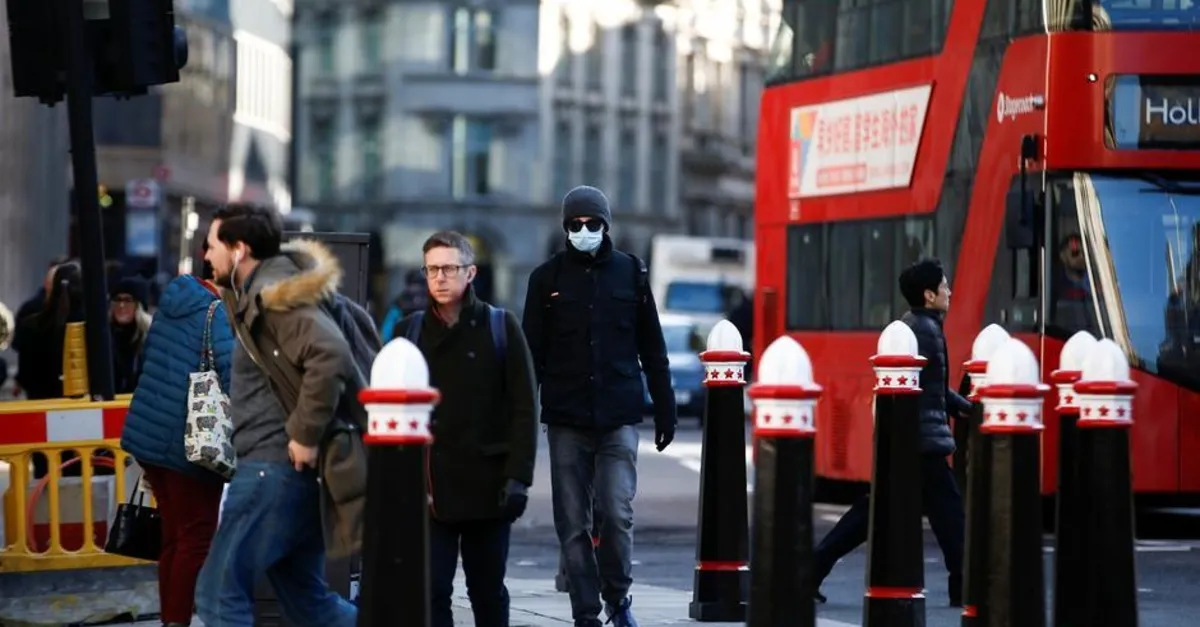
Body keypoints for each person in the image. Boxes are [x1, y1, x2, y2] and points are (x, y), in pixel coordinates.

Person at [195, 203, 358, 627]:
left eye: (211, 246)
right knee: (309, 603)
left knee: (218, 593)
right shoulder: (258, 292)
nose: (205, 256)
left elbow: (330, 354)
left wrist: (304, 434)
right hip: (286, 473)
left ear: (239, 250)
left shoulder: (275, 296)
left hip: (271, 469)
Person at [522, 185, 677, 627]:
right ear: (566, 227)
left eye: (592, 223)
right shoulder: (545, 279)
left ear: (606, 225)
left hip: (618, 414)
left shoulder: (632, 273)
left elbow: (652, 346)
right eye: (575, 224)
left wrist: (665, 406)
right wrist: (521, 420)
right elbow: (530, 356)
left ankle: (618, 599)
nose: (584, 230)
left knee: (616, 512)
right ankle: (586, 613)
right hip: (567, 416)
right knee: (572, 523)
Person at [392, 230, 539, 627]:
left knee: (486, 590)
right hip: (428, 488)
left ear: (470, 272)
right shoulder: (408, 332)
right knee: (431, 590)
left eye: (449, 268)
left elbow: (525, 407)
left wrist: (518, 478)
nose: (440, 278)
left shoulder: (500, 326)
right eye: (432, 269)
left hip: (488, 487)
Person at [810, 258, 968, 606]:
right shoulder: (922, 330)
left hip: (913, 439)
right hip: (921, 442)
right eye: (944, 286)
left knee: (875, 512)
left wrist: (961, 405)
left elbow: (932, 385)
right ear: (929, 295)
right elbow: (921, 386)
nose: (950, 291)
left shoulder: (919, 326)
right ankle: (964, 587)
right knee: (950, 517)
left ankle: (812, 568)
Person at [121, 275, 233, 627]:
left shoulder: (170, 305)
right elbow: (232, 374)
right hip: (190, 440)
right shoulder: (215, 312)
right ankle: (177, 620)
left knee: (174, 534)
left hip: (151, 435)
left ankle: (171, 618)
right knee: (196, 537)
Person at [109, 276, 152, 394]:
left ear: (138, 305)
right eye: (117, 299)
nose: (121, 305)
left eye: (128, 300)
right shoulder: (106, 336)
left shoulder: (152, 338)